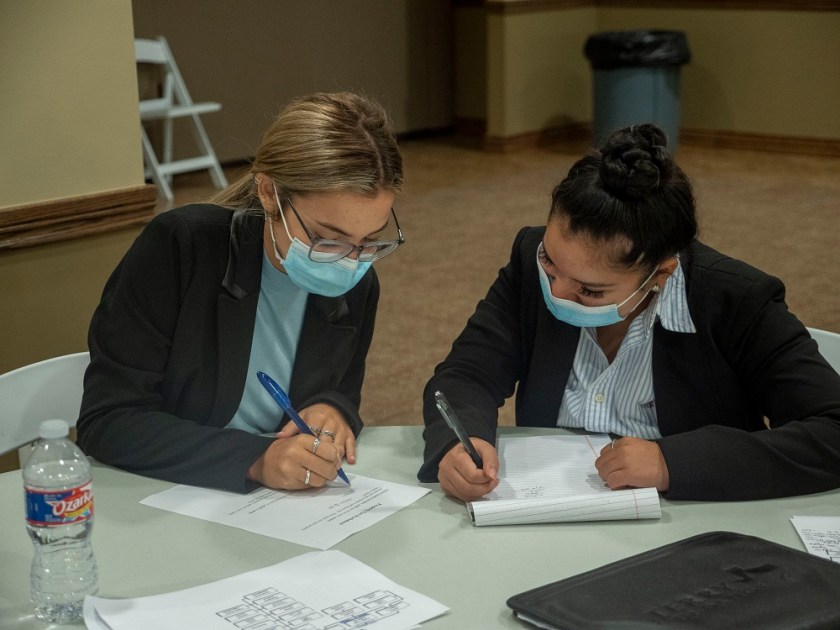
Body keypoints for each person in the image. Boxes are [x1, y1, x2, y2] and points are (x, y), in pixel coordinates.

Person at [419, 124, 840, 503]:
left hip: (692, 525)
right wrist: (461, 443)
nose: (557, 291)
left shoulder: (737, 300)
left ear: (661, 274)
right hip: (548, 511)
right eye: (550, 261)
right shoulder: (530, 263)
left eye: (590, 290)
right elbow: (467, 373)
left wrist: (671, 462)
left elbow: (832, 430)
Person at [77, 92, 404, 493]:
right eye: (327, 238)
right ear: (268, 193)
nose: (348, 262)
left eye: (368, 240)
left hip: (279, 506)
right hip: (166, 491)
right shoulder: (181, 247)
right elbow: (109, 420)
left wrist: (333, 408)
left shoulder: (357, 283)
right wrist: (255, 459)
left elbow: (340, 390)